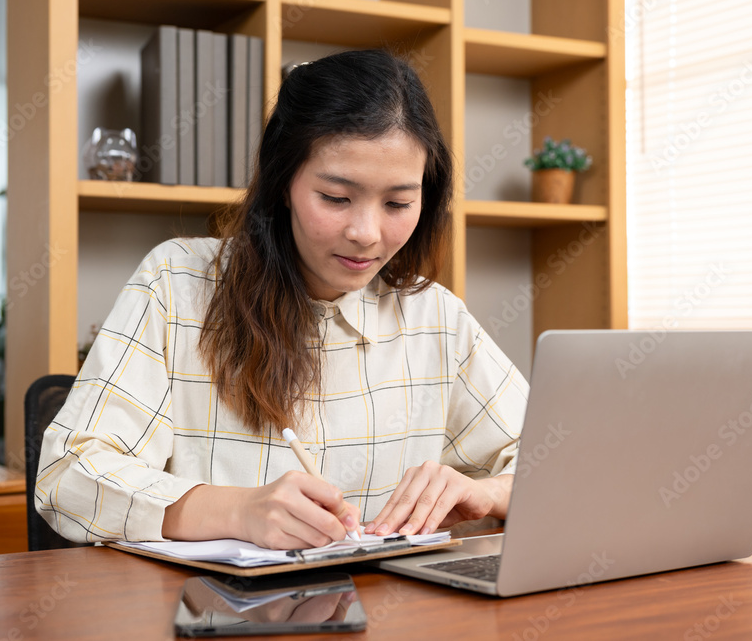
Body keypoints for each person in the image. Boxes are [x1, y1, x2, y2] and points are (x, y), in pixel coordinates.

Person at [35, 49, 527, 551]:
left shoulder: (435, 318)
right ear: (283, 182)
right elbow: (67, 475)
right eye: (336, 198)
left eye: (398, 203)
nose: (366, 233)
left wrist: (486, 492)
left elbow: (562, 459)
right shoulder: (177, 285)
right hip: (215, 618)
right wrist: (236, 511)